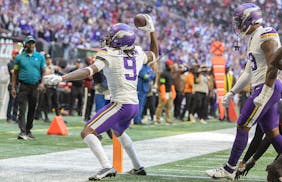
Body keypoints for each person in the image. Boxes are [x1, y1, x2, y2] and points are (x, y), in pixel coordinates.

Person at [44, 14, 158, 181]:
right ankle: (137, 166)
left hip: (120, 104)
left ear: (119, 41)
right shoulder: (138, 53)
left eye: (111, 36)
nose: (108, 38)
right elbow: (154, 53)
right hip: (133, 105)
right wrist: (152, 31)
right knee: (117, 131)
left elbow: (88, 71)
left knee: (87, 131)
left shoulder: (109, 54)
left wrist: (62, 78)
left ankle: (106, 166)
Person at [206, 3, 282, 180]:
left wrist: (264, 93)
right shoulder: (254, 37)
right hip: (263, 86)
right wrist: (231, 92)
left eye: (240, 21)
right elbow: (248, 72)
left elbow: (273, 66)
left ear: (250, 19)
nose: (238, 25)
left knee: (242, 124)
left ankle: (229, 168)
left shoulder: (266, 33)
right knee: (272, 133)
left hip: (267, 86)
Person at [11, 35, 46, 140]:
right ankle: (22, 132)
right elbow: (15, 74)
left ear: (34, 44)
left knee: (32, 109)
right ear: (25, 44)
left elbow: (43, 71)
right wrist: (13, 87)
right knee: (22, 109)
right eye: (29, 43)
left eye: (32, 43)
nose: (31, 44)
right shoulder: (19, 57)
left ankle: (28, 130)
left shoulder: (40, 57)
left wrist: (42, 83)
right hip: (23, 86)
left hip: (35, 86)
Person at [155, 60, 176, 124]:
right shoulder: (163, 73)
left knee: (169, 107)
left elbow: (171, 84)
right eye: (170, 65)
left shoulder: (170, 73)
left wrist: (173, 91)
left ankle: (168, 119)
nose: (172, 66)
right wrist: (163, 93)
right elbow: (162, 84)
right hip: (164, 92)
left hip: (169, 92)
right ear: (167, 65)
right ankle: (157, 119)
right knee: (160, 106)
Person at [6, 49, 19, 123]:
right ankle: (8, 117)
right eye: (15, 54)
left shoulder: (17, 63)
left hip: (17, 84)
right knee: (11, 102)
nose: (16, 55)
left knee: (16, 102)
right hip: (12, 85)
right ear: (12, 54)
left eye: (17, 54)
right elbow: (13, 72)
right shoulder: (10, 63)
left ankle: (14, 117)